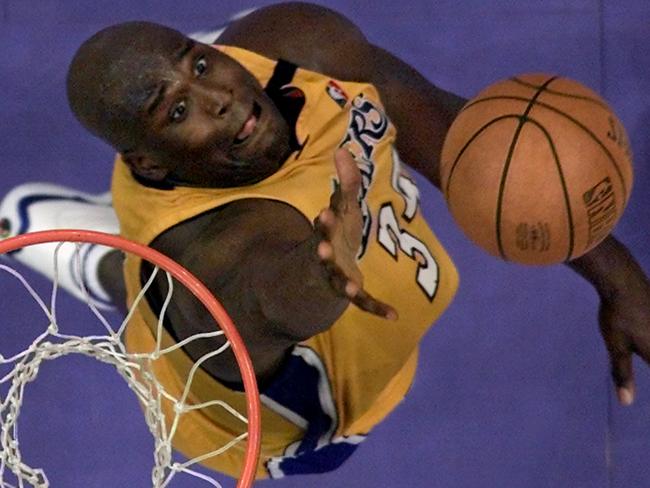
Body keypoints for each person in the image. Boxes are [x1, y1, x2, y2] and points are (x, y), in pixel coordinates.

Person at [1, 2, 649, 481]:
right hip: (277, 411)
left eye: (200, 65)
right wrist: (323, 276)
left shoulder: (297, 43)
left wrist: (616, 272)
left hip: (242, 188)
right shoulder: (219, 259)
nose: (218, 97)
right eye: (176, 110)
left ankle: (143, 169)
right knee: (142, 287)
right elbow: (271, 299)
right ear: (151, 161)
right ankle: (92, 255)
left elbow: (454, 139)